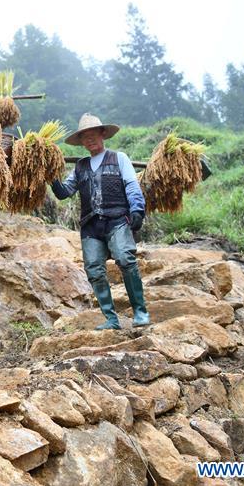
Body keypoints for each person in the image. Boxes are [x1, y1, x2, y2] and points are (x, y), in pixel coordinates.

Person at [52, 113, 150, 330]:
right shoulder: (80, 166)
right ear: (81, 142)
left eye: (93, 134)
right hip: (91, 225)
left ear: (102, 134)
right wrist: (51, 177)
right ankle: (111, 319)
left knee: (125, 259)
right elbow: (64, 192)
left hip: (117, 220)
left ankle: (140, 312)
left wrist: (137, 210)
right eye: (84, 137)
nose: (90, 140)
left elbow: (132, 185)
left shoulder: (119, 158)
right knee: (94, 270)